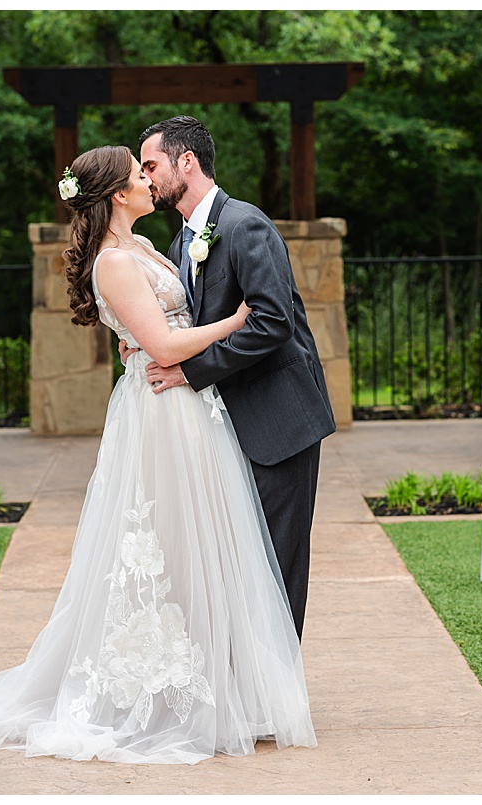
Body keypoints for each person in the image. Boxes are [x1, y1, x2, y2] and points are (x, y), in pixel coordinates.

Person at [0, 145, 316, 764]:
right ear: (119, 195)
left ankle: (222, 683)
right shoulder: (116, 262)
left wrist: (165, 343)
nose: (149, 181)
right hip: (161, 413)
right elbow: (165, 341)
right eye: (138, 174)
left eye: (151, 167)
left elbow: (161, 327)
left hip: (189, 408)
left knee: (204, 543)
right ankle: (161, 689)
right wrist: (234, 322)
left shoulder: (151, 248)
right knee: (164, 544)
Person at [133, 116, 336, 640]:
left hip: (278, 420)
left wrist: (190, 371)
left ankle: (279, 696)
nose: (146, 177)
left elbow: (272, 322)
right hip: (223, 426)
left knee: (278, 561)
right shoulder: (180, 243)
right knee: (238, 559)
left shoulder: (246, 225)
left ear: (187, 161)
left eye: (151, 165)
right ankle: (247, 686)